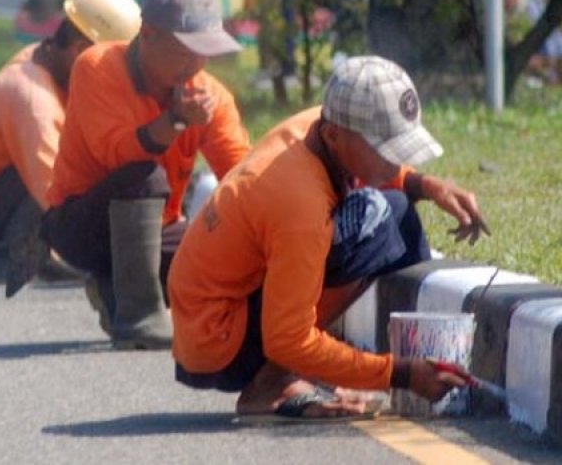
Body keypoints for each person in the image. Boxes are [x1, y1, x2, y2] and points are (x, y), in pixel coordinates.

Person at [169, 56, 490, 421]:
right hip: (219, 339)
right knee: (378, 217)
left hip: (213, 317)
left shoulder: (317, 127)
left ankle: (288, 373)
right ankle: (273, 383)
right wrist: (399, 373)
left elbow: (385, 175)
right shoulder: (299, 204)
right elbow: (288, 340)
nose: (396, 163)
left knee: (399, 212)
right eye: (387, 151)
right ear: (335, 136)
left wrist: (424, 185)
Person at [42, 0, 252, 350]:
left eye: (204, 51)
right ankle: (139, 318)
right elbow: (117, 154)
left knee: (223, 249)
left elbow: (241, 174)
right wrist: (174, 122)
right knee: (145, 175)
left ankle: (115, 289)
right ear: (149, 35)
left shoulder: (210, 95)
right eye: (185, 49)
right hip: (79, 223)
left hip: (160, 230)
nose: (195, 63)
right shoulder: (97, 66)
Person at [0, 0, 142, 298]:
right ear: (81, 50)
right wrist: (107, 258)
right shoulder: (32, 99)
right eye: (112, 63)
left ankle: (35, 254)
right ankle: (9, 256)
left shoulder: (48, 63)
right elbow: (56, 192)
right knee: (65, 174)